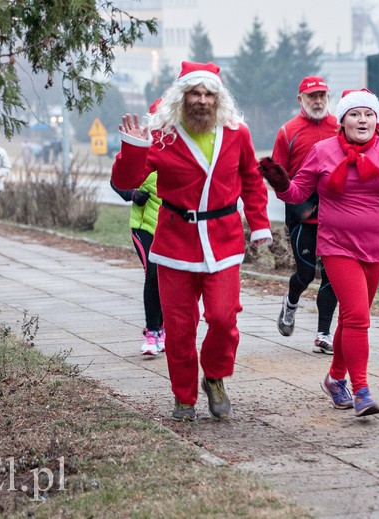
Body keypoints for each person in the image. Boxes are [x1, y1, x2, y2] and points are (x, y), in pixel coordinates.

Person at [111, 61, 272, 422]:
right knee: (180, 329)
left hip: (223, 240)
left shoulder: (237, 132)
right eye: (194, 93)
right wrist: (133, 148)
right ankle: (183, 398)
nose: (202, 100)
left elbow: (251, 179)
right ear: (181, 97)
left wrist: (260, 223)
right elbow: (127, 180)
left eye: (208, 94)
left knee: (223, 318)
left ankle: (214, 376)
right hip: (174, 244)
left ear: (218, 98)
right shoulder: (163, 135)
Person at [259, 88, 379, 417]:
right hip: (337, 246)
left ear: (377, 120)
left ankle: (335, 379)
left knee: (351, 319)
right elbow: (297, 193)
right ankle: (362, 391)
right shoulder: (322, 151)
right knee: (358, 318)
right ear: (342, 121)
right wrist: (281, 184)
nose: (362, 120)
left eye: (369, 114)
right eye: (355, 114)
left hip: (376, 248)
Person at [271, 76, 339, 355]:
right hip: (303, 214)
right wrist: (296, 201)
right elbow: (277, 177)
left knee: (333, 275)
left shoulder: (340, 126)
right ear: (301, 99)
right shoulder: (288, 132)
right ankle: (291, 302)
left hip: (336, 214)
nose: (318, 101)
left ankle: (323, 334)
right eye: (312, 96)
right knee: (306, 273)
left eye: (322, 95)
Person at [109, 98, 165, 357]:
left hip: (171, 226)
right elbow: (116, 181)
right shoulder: (143, 145)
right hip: (144, 226)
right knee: (152, 274)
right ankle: (152, 333)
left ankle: (165, 329)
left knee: (169, 280)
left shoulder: (181, 148)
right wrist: (132, 194)